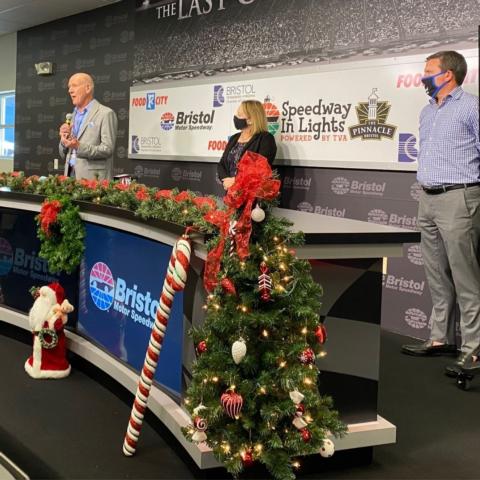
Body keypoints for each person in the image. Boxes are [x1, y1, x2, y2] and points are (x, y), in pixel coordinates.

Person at [401, 51, 480, 376]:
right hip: (428, 198)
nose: (423, 77)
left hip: (458, 197)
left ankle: (473, 351)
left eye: (428, 71)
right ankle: (439, 339)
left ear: (447, 74)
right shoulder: (426, 111)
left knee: (465, 277)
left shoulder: (471, 106)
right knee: (435, 272)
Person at [59, 73, 118, 180]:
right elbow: (63, 153)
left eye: (74, 85)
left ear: (88, 88)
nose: (70, 90)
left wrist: (78, 146)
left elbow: (107, 149)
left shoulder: (105, 113)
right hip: (70, 176)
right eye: (69, 87)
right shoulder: (72, 116)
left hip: (93, 180)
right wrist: (64, 141)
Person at [217, 100, 276, 190]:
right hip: (231, 193)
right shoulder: (234, 138)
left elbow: (261, 168)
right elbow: (222, 163)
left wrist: (235, 181)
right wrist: (226, 181)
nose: (235, 117)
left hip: (252, 195)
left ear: (251, 120)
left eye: (239, 115)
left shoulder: (265, 139)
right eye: (236, 114)